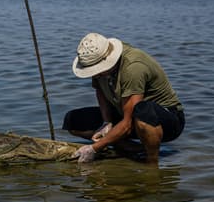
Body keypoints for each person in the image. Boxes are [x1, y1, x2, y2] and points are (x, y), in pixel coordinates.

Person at [64, 33, 185, 164]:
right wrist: (106, 122)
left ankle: (151, 161)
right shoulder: (98, 67)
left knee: (143, 110)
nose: (96, 74)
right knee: (72, 120)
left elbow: (127, 124)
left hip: (165, 120)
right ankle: (130, 148)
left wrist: (93, 149)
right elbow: (101, 92)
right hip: (124, 112)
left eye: (97, 70)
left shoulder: (133, 67)